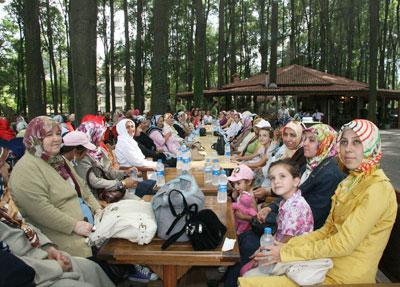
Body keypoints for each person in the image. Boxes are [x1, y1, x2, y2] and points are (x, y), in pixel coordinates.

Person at [239, 119, 397, 286]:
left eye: (357, 142)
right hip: (323, 264)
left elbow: (343, 244)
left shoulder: (377, 189)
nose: (348, 148)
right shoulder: (349, 182)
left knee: (248, 282)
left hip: (344, 277)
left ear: (372, 145)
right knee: (249, 276)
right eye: (344, 142)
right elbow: (326, 230)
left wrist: (285, 253)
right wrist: (283, 247)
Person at [9, 116, 101, 258]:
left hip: (91, 227)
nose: (57, 138)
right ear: (35, 139)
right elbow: (40, 211)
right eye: (48, 135)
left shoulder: (60, 160)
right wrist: (75, 225)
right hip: (63, 239)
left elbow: (83, 189)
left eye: (58, 133)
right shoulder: (25, 169)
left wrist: (98, 209)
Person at [240, 159, 313, 276]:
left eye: (282, 176)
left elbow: (287, 239)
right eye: (272, 178)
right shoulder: (286, 202)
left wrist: (263, 256)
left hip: (292, 257)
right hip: (282, 249)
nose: (276, 181)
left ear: (296, 181)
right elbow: (280, 232)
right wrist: (263, 248)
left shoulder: (295, 206)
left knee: (246, 274)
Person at [72, 125, 156, 199]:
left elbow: (109, 172)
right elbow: (94, 182)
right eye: (99, 135)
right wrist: (121, 183)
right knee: (147, 193)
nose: (102, 138)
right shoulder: (82, 157)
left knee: (151, 185)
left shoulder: (99, 151)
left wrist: (125, 173)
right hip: (104, 195)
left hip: (115, 188)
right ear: (91, 136)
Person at [228, 164, 257, 235]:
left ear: (249, 182)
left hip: (247, 228)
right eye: (234, 184)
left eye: (238, 183)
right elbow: (238, 202)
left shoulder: (252, 196)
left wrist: (243, 217)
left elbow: (255, 217)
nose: (236, 186)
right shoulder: (242, 191)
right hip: (238, 220)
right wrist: (235, 194)